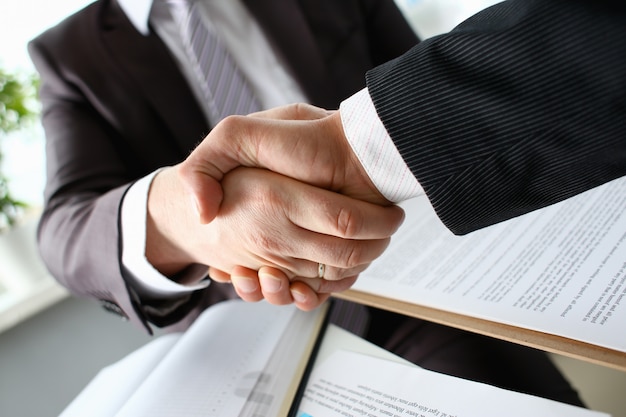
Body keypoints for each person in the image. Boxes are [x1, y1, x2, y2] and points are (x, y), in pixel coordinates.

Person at [29, 0, 585, 406]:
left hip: (419, 285)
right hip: (257, 350)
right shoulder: (68, 53)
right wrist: (187, 221)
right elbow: (64, 227)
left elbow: (425, 79)